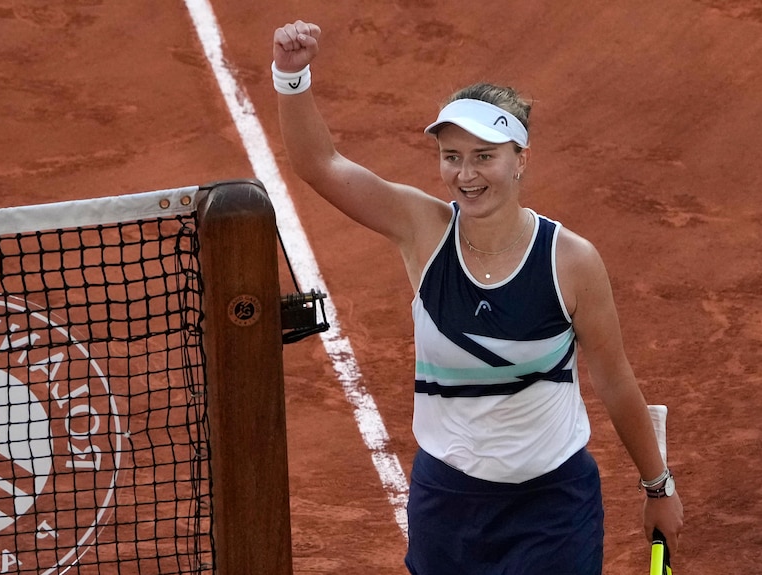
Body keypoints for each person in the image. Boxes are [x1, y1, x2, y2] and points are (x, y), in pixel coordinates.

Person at [272, 20, 684, 574]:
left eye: (484, 156)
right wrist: (291, 78)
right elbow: (319, 165)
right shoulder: (423, 231)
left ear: (520, 159)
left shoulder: (571, 262)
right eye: (452, 156)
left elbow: (614, 381)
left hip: (552, 509)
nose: (465, 174)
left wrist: (658, 486)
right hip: (448, 506)